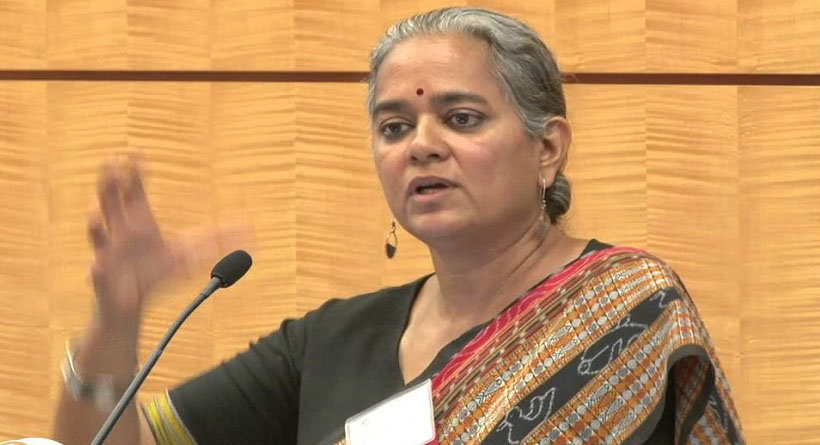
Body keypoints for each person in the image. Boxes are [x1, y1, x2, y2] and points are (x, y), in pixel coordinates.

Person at [52, 7, 744, 445]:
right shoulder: (328, 341)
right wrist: (115, 317)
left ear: (547, 147)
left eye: (462, 118)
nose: (421, 145)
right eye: (394, 126)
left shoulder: (625, 305)